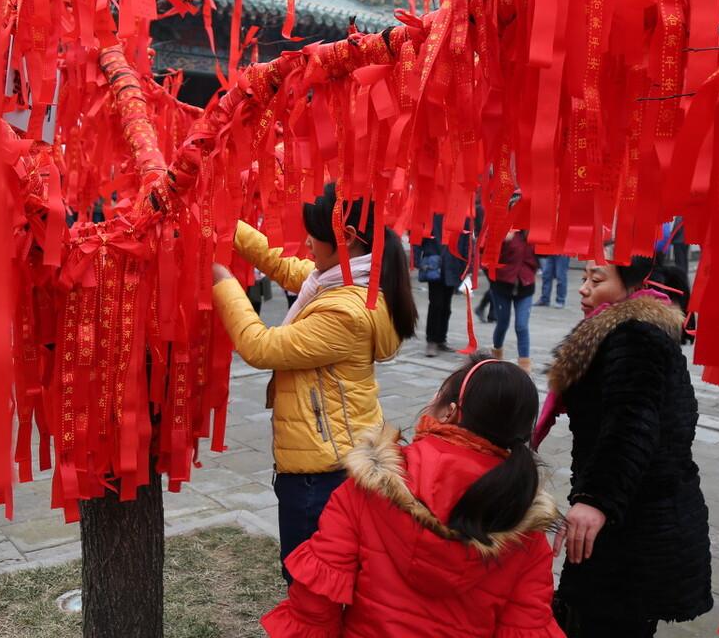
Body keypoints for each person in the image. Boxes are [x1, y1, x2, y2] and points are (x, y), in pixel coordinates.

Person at [261, 356, 564, 637]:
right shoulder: (523, 523)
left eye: (439, 393)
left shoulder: (370, 484)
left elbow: (315, 602)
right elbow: (527, 627)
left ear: (450, 411)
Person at [211, 181, 418, 581]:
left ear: (348, 239)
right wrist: (223, 224)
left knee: (312, 585)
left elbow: (260, 346)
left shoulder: (346, 310)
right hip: (335, 455)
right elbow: (286, 266)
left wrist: (222, 280)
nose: (306, 243)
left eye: (314, 235)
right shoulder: (349, 280)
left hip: (321, 473)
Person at [546, 252, 712, 636]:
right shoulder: (622, 329)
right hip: (633, 518)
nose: (584, 289)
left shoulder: (634, 336)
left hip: (637, 530)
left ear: (631, 284)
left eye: (597, 280)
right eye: (584, 278)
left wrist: (595, 500)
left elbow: (632, 424)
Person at [487, 203, 538, 372]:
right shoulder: (503, 229)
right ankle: (496, 356)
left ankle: (525, 367)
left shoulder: (533, 231)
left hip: (525, 285)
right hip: (502, 285)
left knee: (521, 326)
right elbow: (488, 256)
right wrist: (501, 241)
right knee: (502, 323)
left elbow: (543, 255)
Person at [417, 213, 470, 357]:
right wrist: (418, 260)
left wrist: (466, 265)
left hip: (453, 264)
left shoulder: (462, 215)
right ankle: (431, 340)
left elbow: (466, 241)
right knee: (436, 304)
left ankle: (441, 339)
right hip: (435, 265)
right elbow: (419, 236)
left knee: (446, 306)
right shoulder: (432, 214)